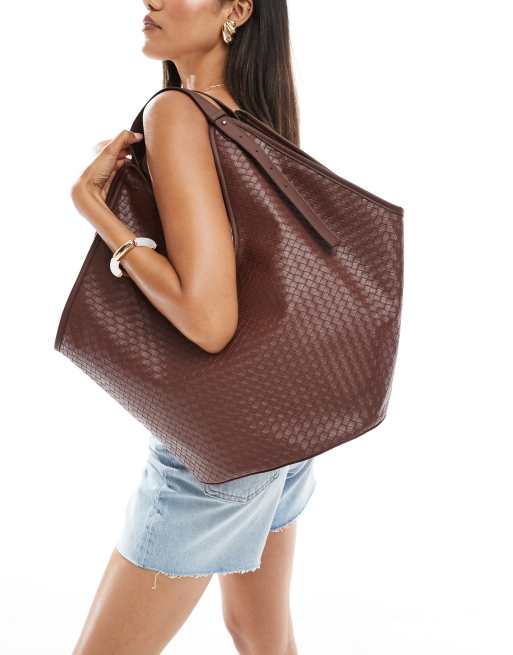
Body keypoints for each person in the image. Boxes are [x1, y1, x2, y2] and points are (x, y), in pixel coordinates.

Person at [70, 1, 316, 653]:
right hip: (285, 426)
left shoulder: (176, 112)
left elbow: (209, 322)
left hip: (220, 448)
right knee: (262, 636)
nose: (149, 0)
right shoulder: (253, 116)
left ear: (237, 9)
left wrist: (97, 210)